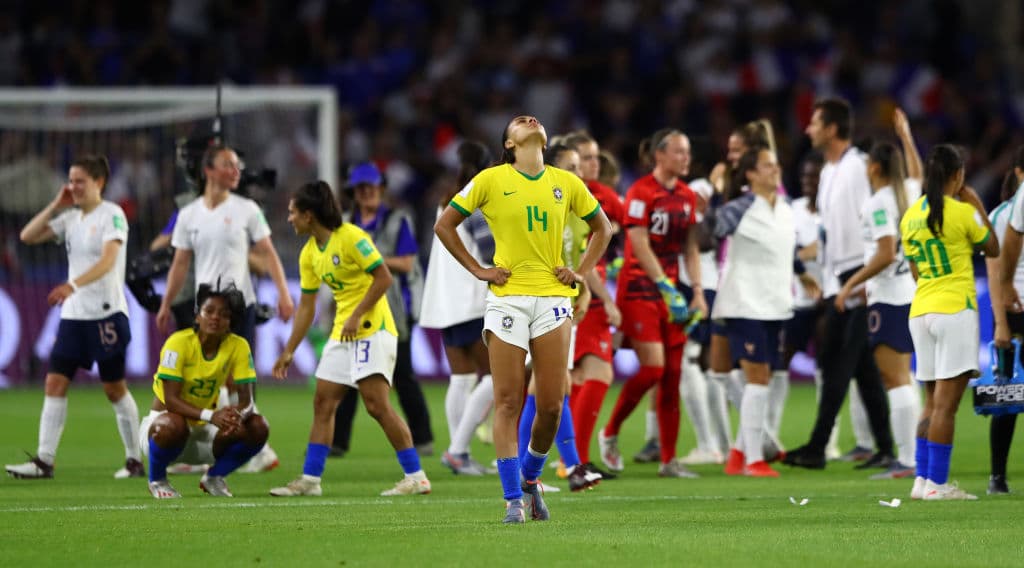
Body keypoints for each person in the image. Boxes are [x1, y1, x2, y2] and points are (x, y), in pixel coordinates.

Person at [434, 115, 611, 523]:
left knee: (550, 406)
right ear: (510, 143)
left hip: (552, 299)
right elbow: (446, 225)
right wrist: (479, 269)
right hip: (508, 300)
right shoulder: (490, 180)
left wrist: (581, 271)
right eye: (518, 122)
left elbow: (603, 229)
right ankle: (513, 497)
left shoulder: (567, 183)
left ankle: (531, 480)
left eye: (532, 120)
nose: (529, 120)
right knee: (508, 400)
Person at [270, 181, 431, 497]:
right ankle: (310, 481)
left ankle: (416, 477)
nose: (289, 219)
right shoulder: (309, 254)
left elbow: (383, 277)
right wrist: (289, 349)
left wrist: (357, 315)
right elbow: (306, 305)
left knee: (376, 404)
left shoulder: (352, 237)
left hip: (373, 327)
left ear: (309, 214)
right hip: (343, 332)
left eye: (293, 213)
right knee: (323, 400)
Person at [156, 143, 293, 473]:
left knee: (236, 379)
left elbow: (269, 252)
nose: (236, 171)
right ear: (209, 170)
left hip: (238, 305)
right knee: (201, 374)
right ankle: (200, 445)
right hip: (204, 306)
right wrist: (166, 302)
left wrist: (284, 294)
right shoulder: (189, 214)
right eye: (229, 165)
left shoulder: (247, 209)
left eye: (237, 166)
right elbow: (179, 263)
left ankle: (252, 446)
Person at [7, 155, 143, 480]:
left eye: (79, 180)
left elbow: (109, 260)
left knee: (114, 389)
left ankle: (133, 460)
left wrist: (72, 284)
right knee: (54, 382)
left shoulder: (113, 215)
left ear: (99, 182)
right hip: (74, 317)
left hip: (107, 315)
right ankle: (44, 461)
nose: (73, 186)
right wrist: (56, 203)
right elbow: (27, 235)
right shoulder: (70, 219)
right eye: (70, 180)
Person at [784, 98, 896, 470]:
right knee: (860, 369)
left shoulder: (858, 168)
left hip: (859, 277)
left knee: (836, 363)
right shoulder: (831, 170)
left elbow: (876, 221)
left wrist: (865, 279)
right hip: (839, 280)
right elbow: (831, 232)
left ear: (831, 129)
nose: (808, 129)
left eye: (814, 123)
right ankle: (885, 448)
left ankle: (818, 447)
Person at [598, 128, 707, 478]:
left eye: (687, 151)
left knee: (673, 375)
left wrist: (699, 292)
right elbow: (639, 243)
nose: (685, 158)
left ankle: (669, 460)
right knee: (653, 369)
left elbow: (690, 247)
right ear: (659, 155)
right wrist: (663, 284)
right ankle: (610, 431)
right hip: (640, 288)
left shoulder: (688, 196)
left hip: (671, 293)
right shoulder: (640, 192)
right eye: (678, 151)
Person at [902, 144, 1001, 500]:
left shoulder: (911, 215)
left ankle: (921, 481)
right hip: (954, 310)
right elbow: (993, 248)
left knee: (931, 403)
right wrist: (975, 202)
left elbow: (914, 270)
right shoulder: (962, 213)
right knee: (946, 406)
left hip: (921, 310)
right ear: (958, 176)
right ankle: (937, 486)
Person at [711, 147, 818, 477]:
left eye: (776, 164)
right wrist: (714, 197)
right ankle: (754, 460)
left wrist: (803, 274)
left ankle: (738, 453)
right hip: (745, 303)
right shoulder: (739, 209)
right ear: (751, 174)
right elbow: (711, 230)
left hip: (775, 304)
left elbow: (787, 250)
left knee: (763, 380)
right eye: (767, 166)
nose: (775, 170)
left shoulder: (785, 208)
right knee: (757, 381)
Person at [834, 109, 924, 479]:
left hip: (889, 299)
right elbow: (916, 174)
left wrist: (851, 283)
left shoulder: (877, 204)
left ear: (873, 168)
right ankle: (913, 457)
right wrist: (906, 136)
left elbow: (885, 254)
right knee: (906, 377)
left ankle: (907, 460)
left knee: (896, 379)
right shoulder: (911, 193)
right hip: (913, 294)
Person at [331, 162, 434, 457]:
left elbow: (407, 263)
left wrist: (371, 260)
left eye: (372, 187)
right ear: (354, 192)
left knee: (403, 375)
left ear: (381, 189)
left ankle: (423, 439)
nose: (367, 193)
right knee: (347, 375)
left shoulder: (397, 219)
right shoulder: (344, 223)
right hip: (354, 308)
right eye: (361, 188)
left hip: (394, 310)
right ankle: (337, 442)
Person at [142, 282, 270, 498]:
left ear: (231, 321)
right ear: (197, 316)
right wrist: (213, 416)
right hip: (164, 431)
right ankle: (157, 480)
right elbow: (171, 400)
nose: (215, 318)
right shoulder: (178, 343)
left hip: (205, 434)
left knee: (258, 426)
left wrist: (237, 417)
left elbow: (246, 401)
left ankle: (214, 477)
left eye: (223, 314)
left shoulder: (238, 346)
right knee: (173, 423)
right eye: (209, 311)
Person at [422, 141, 496, 476]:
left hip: (445, 301)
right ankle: (458, 450)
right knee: (499, 376)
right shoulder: (477, 202)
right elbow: (490, 252)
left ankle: (459, 451)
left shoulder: (446, 200)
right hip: (473, 300)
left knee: (462, 377)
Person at [561, 131, 624, 479]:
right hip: (581, 296)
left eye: (596, 157)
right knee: (591, 374)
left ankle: (572, 459)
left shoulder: (599, 197)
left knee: (577, 377)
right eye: (585, 159)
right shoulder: (576, 201)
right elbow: (588, 259)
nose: (593, 164)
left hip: (584, 294)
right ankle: (573, 460)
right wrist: (606, 297)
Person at [992, 146, 1024, 494]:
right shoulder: (1002, 216)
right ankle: (997, 475)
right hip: (1013, 314)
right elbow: (996, 269)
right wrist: (1000, 323)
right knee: (1007, 396)